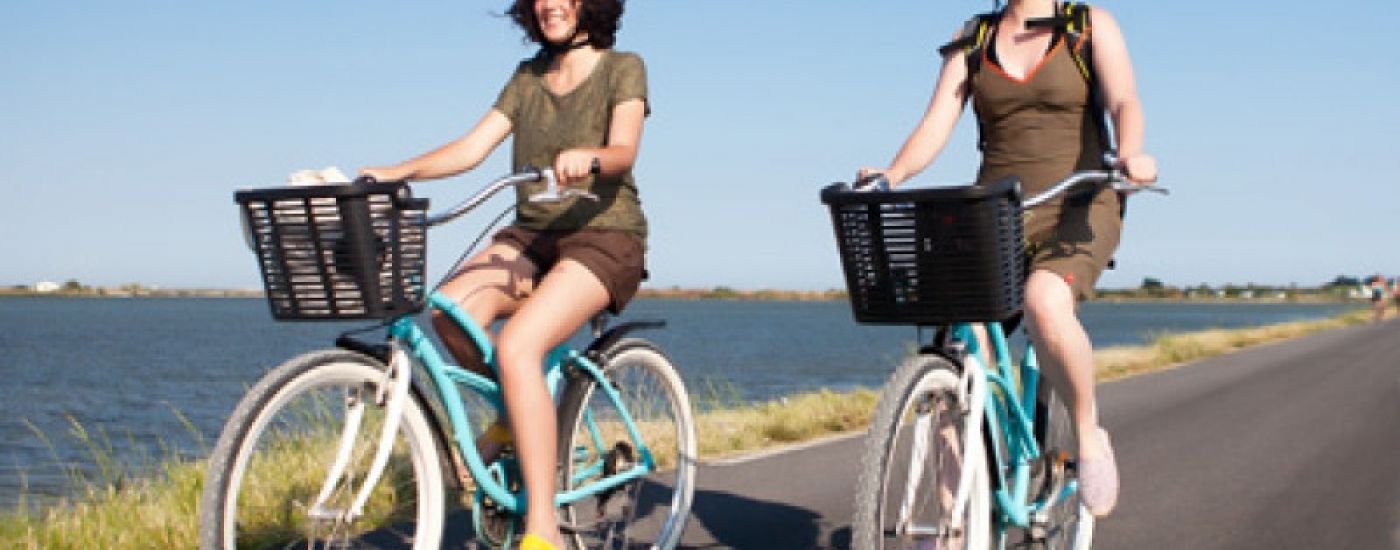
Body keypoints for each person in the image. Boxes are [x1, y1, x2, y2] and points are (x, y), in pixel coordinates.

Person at [361, 1, 648, 547]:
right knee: (450, 311)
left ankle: (542, 531)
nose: (549, 3)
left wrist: (590, 157)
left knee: (518, 346)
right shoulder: (527, 78)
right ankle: (516, 418)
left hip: (605, 237)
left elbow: (624, 149)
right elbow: (471, 148)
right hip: (533, 237)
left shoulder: (623, 67)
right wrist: (399, 171)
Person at [859, 0, 1157, 517]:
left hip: (1079, 202)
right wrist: (892, 174)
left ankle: (1088, 434)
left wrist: (1130, 153)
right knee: (960, 344)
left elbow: (1124, 101)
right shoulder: (974, 38)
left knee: (1045, 301)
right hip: (997, 211)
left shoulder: (1088, 26)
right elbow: (936, 123)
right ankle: (952, 523)